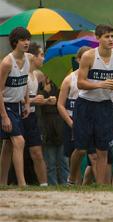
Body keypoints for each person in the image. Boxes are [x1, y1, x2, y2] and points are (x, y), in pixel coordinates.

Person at [68, 24, 113, 185]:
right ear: (98, 38)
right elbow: (80, 83)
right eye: (107, 36)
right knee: (80, 149)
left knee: (103, 150)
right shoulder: (88, 56)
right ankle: (71, 178)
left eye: (112, 36)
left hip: (105, 106)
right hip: (85, 105)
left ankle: (101, 186)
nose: (111, 40)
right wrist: (100, 84)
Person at [0, 27, 31, 186]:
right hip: (5, 106)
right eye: (23, 40)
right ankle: (22, 184)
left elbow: (25, 82)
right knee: (19, 141)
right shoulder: (6, 63)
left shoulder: (28, 59)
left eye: (28, 39)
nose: (27, 42)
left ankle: (3, 183)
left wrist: (26, 102)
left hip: (17, 105)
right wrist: (4, 116)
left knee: (8, 146)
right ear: (14, 42)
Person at [57, 46, 91, 184]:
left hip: (90, 120)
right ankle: (75, 182)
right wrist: (70, 122)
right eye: (83, 58)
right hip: (72, 120)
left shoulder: (94, 79)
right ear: (78, 59)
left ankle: (86, 183)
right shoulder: (69, 79)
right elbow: (60, 104)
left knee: (93, 155)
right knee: (76, 152)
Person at [23, 42, 48, 186]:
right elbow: (13, 98)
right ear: (33, 57)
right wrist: (33, 100)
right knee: (15, 149)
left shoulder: (35, 74)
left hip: (32, 117)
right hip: (21, 115)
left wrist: (45, 101)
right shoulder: (24, 74)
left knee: (37, 152)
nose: (43, 58)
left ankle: (44, 184)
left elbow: (31, 99)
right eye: (41, 55)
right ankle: (16, 182)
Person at [38, 76, 69, 185]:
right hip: (46, 127)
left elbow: (63, 104)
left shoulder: (58, 87)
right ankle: (53, 185)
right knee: (50, 162)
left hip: (59, 125)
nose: (47, 77)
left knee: (63, 161)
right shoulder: (38, 89)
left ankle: (65, 184)